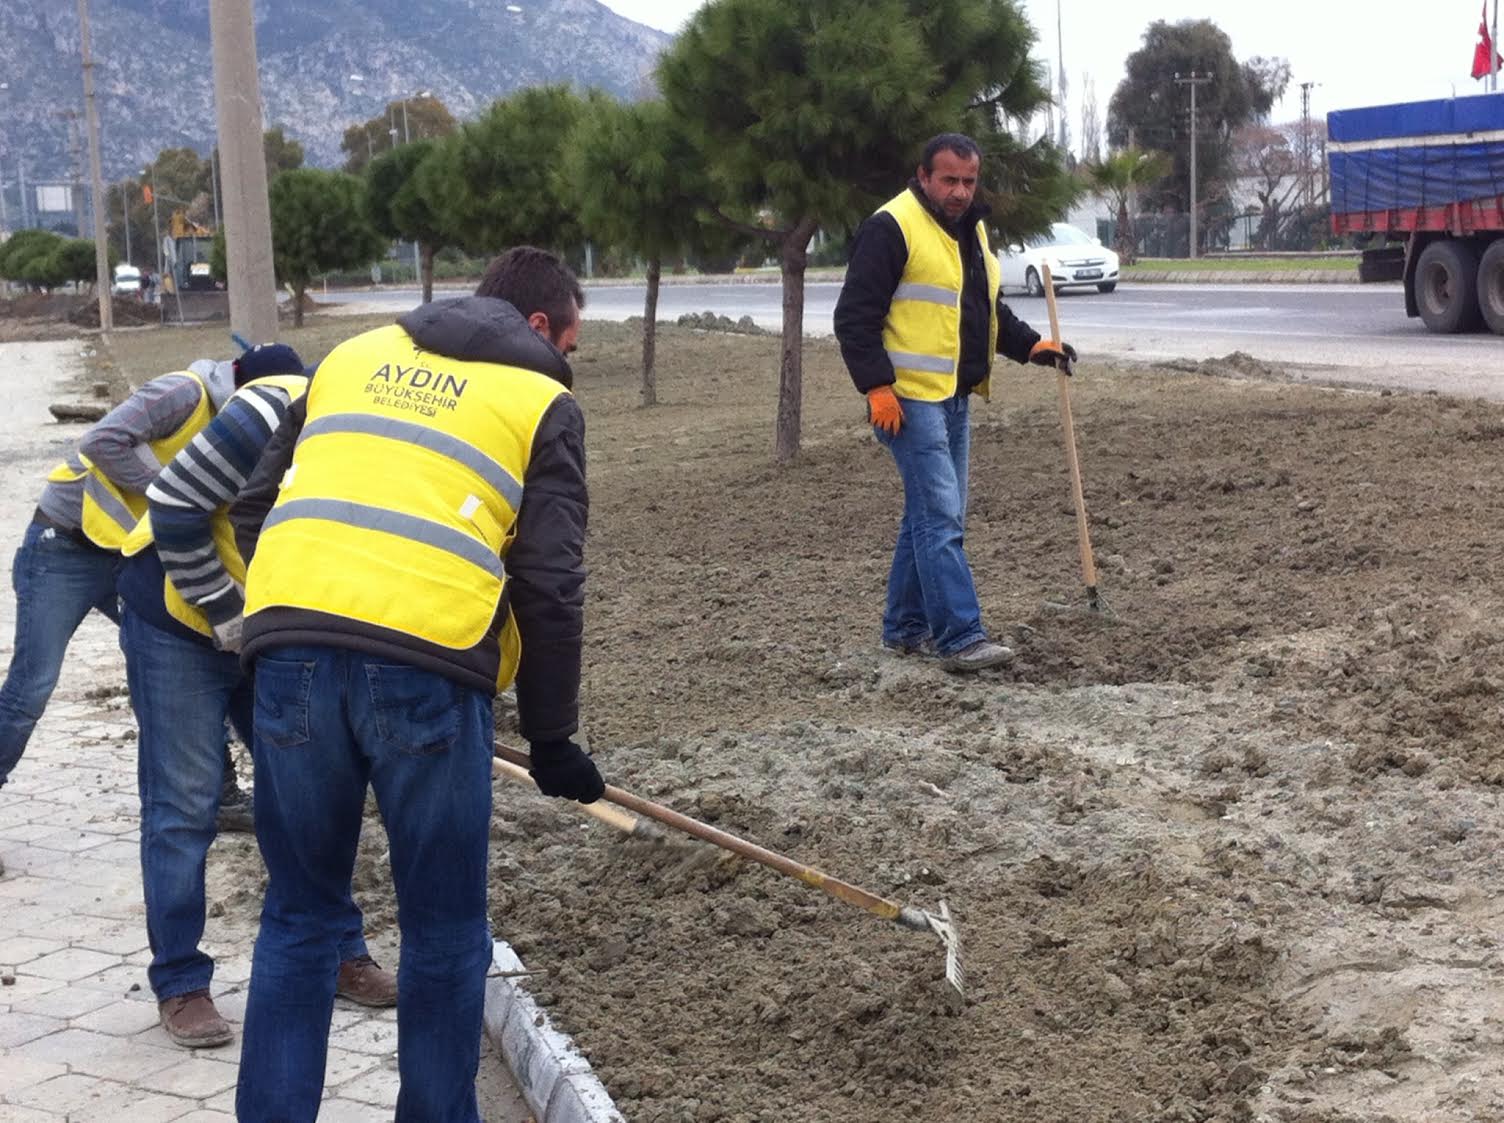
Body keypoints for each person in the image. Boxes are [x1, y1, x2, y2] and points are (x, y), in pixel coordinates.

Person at [232, 247, 605, 1122]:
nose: (571, 361)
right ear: (542, 327)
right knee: (442, 937)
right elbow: (550, 584)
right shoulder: (542, 401)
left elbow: (252, 504)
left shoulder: (349, 358)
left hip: (289, 658)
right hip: (429, 674)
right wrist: (552, 738)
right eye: (573, 342)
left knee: (297, 920)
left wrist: (305, 602)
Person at [114, 343, 396, 1049]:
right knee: (185, 804)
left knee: (306, 791)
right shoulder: (272, 410)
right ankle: (181, 980)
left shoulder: (384, 449)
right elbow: (175, 505)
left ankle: (338, 950)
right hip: (178, 615)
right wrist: (232, 620)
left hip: (267, 624)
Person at [833, 132, 1077, 673]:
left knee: (931, 514)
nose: (961, 191)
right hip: (907, 399)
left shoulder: (970, 229)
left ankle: (904, 629)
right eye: (949, 180)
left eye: (969, 181)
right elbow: (853, 318)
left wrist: (1031, 345)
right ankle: (961, 637)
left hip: (953, 396)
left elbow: (981, 311)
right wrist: (876, 387)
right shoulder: (890, 227)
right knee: (941, 515)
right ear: (924, 176)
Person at [0, 358, 235, 792]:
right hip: (64, 546)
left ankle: (221, 796)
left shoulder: (239, 431)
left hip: (131, 553)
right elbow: (101, 441)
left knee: (182, 661)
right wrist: (173, 491)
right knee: (32, 684)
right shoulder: (184, 393)